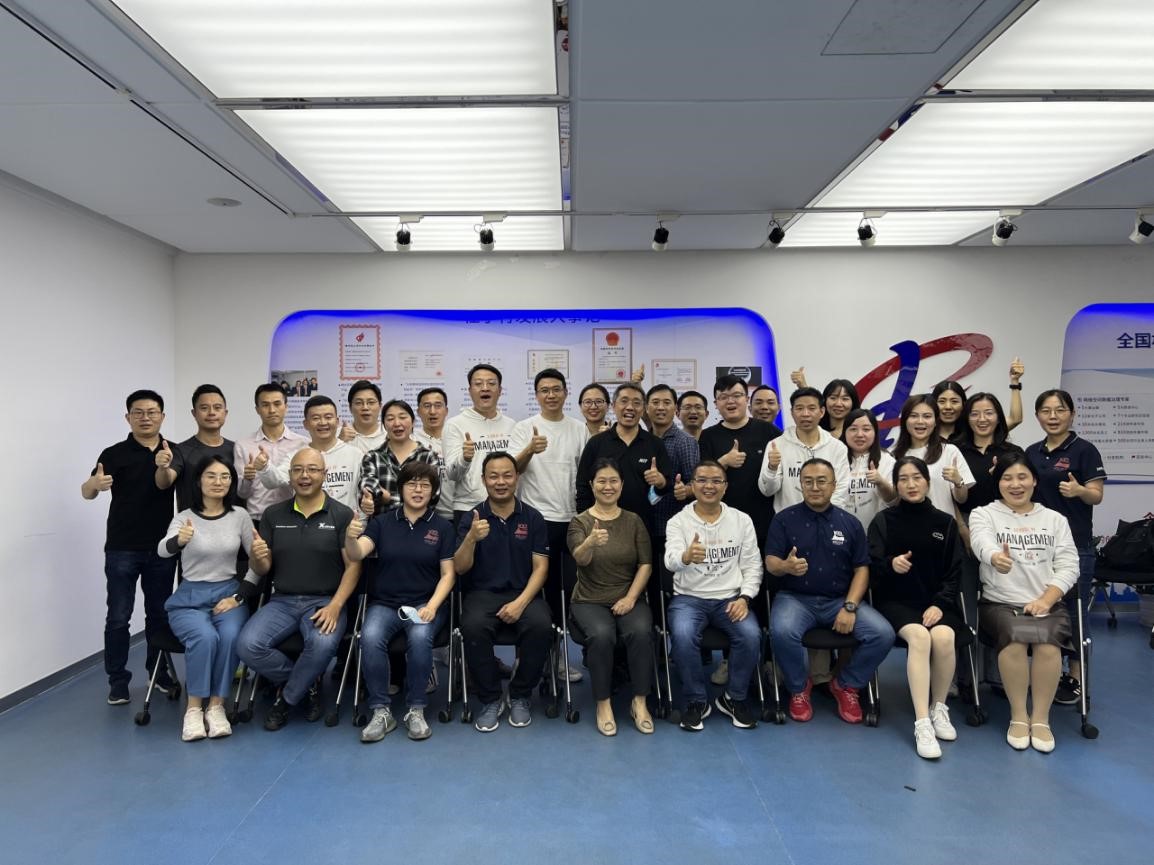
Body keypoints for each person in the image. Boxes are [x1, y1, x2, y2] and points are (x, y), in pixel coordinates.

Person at [236, 448, 361, 730]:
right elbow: (263, 568)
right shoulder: (272, 514)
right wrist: (256, 556)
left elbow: (353, 567)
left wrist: (336, 606)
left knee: (323, 644)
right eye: (298, 470)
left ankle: (285, 701)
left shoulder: (341, 514)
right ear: (290, 476)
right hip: (282, 601)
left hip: (325, 601)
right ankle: (306, 684)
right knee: (247, 645)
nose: (305, 476)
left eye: (313, 469)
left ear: (324, 474)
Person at [765, 459, 895, 724]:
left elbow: (862, 569)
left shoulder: (850, 523)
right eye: (808, 481)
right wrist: (786, 566)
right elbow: (770, 563)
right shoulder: (783, 520)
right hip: (795, 599)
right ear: (800, 485)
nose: (815, 487)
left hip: (839, 600)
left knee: (883, 634)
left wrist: (850, 606)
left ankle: (846, 685)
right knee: (781, 631)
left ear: (834, 485)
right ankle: (799, 688)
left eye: (821, 481)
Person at [969, 452, 1079, 753]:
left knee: (1048, 645)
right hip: (1000, 603)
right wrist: (995, 557)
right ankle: (1018, 715)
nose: (1015, 484)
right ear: (998, 483)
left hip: (1047, 603)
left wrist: (1046, 600)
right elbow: (980, 542)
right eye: (1007, 478)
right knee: (1016, 639)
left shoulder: (1054, 519)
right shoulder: (983, 514)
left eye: (1022, 477)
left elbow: (1069, 565)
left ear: (1034, 481)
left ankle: (1041, 719)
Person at [345, 462, 455, 743]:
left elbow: (448, 575)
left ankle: (416, 709)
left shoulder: (443, 527)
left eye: (425, 485)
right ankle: (381, 711)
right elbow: (357, 554)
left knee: (419, 637)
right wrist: (350, 537)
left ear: (433, 491)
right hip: (385, 604)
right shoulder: (382, 523)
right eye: (411, 484)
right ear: (401, 488)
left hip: (425, 603)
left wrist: (432, 606)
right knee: (369, 637)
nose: (418, 490)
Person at [82, 389, 177, 705]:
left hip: (162, 548)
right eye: (139, 412)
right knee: (119, 617)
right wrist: (94, 485)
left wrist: (164, 466)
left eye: (152, 412)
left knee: (159, 614)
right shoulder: (114, 453)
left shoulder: (172, 451)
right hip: (122, 548)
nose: (146, 417)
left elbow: (173, 484)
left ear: (162, 416)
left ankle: (157, 673)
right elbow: (87, 491)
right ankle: (118, 681)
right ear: (128, 417)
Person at [868, 457, 965, 759]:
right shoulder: (883, 521)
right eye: (903, 479)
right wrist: (890, 564)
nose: (911, 484)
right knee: (921, 638)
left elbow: (954, 573)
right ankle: (922, 722)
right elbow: (870, 566)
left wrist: (939, 604)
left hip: (936, 602)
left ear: (927, 482)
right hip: (896, 602)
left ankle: (939, 708)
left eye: (917, 478)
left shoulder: (945, 523)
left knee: (944, 637)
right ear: (896, 485)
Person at [158, 456, 261, 741]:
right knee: (204, 638)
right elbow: (162, 550)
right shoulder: (184, 517)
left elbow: (257, 562)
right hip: (190, 596)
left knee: (229, 637)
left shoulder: (240, 516)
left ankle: (216, 706)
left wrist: (240, 595)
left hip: (228, 594)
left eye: (225, 476)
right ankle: (193, 710)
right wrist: (179, 540)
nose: (218, 482)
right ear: (198, 481)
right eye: (211, 476)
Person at [454, 453, 552, 732]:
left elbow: (541, 568)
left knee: (541, 626)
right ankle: (490, 699)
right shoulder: (472, 518)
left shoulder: (532, 517)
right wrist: (471, 538)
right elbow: (460, 567)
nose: (501, 482)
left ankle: (520, 694)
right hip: (482, 594)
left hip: (524, 592)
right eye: (493, 476)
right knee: (472, 627)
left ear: (517, 478)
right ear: (483, 480)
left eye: (507, 475)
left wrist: (520, 603)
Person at [664, 461, 763, 731]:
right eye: (702, 480)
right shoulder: (678, 522)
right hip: (688, 598)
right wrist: (686, 556)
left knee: (751, 635)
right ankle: (696, 700)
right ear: (692, 485)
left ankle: (734, 698)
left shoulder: (741, 520)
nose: (709, 486)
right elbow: (670, 560)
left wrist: (745, 598)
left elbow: (752, 565)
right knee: (683, 635)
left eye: (716, 481)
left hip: (730, 598)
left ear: (725, 487)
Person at [698, 375, 782, 685]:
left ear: (746, 399)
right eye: (723, 396)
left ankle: (769, 659)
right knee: (729, 594)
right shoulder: (709, 436)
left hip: (765, 527)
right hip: (721, 530)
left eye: (736, 395)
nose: (730, 401)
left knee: (764, 593)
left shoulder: (768, 432)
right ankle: (730, 658)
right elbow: (701, 479)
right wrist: (723, 461)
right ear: (716, 403)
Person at [1025, 389, 1106, 706]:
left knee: (1075, 614)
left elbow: (1097, 495)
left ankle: (1075, 676)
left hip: (1075, 545)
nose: (1053, 416)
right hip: (1038, 547)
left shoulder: (1085, 450)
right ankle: (1051, 672)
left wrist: (1079, 491)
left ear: (1072, 414)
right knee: (1046, 611)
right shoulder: (1032, 452)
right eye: (1046, 411)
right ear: (1037, 416)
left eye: (1060, 410)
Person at [509, 369, 590, 683]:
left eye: (556, 389)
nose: (551, 395)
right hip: (535, 520)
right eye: (544, 390)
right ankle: (524, 660)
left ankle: (557, 659)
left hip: (571, 520)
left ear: (566, 393)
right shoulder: (523, 428)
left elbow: (587, 475)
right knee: (530, 592)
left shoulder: (579, 429)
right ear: (536, 395)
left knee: (562, 594)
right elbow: (511, 470)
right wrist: (530, 449)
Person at [568, 459, 655, 736]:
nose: (608, 486)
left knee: (641, 632)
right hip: (589, 600)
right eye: (602, 481)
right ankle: (603, 704)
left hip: (628, 596)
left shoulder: (633, 521)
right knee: (602, 635)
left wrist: (631, 598)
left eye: (613, 481)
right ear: (592, 485)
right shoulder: (580, 522)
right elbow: (580, 559)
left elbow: (646, 564)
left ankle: (639, 702)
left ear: (622, 485)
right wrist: (590, 543)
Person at [576, 383, 673, 537]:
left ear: (644, 409)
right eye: (624, 401)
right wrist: (586, 524)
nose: (630, 407)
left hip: (642, 527)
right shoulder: (597, 443)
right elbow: (583, 486)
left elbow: (667, 486)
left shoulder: (655, 444)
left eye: (636, 403)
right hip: (601, 527)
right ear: (613, 406)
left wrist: (660, 482)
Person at [259, 395, 363, 512]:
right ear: (306, 424)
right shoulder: (296, 456)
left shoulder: (356, 455)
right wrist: (264, 466)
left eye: (328, 417)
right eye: (316, 418)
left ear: (337, 421)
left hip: (347, 521)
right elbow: (274, 481)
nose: (323, 422)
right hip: (308, 521)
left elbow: (363, 494)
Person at [758, 387, 850, 512]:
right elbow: (767, 491)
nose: (805, 414)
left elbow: (842, 489)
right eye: (799, 408)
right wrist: (772, 468)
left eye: (811, 408)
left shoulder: (837, 447)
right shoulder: (776, 445)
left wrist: (824, 516)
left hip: (827, 519)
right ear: (792, 412)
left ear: (822, 412)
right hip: (789, 520)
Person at [443, 364, 516, 521]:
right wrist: (465, 458)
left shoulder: (512, 425)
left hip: (506, 507)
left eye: (491, 383)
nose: (485, 388)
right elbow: (452, 474)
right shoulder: (455, 424)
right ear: (470, 391)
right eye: (478, 384)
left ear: (500, 390)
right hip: (468, 507)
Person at [234, 382, 308, 527]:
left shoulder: (302, 444)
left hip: (293, 518)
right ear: (257, 409)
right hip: (257, 519)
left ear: (286, 407)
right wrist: (247, 478)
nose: (272, 410)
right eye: (265, 405)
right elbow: (242, 494)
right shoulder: (243, 445)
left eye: (277, 404)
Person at [890, 394, 974, 516]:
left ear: (935, 421)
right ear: (905, 421)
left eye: (927, 416)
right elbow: (891, 500)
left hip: (942, 524)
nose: (920, 421)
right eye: (913, 416)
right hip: (906, 523)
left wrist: (958, 482)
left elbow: (961, 499)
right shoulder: (893, 455)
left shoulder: (949, 451)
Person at [155, 384, 235, 513]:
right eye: (204, 408)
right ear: (194, 413)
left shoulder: (237, 449)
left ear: (225, 413)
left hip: (231, 523)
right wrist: (162, 467)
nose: (211, 413)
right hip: (192, 523)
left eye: (217, 407)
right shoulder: (181, 450)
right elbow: (164, 483)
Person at [359, 399, 438, 514]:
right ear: (384, 425)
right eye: (390, 419)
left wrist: (387, 498)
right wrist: (375, 495)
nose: (396, 423)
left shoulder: (428, 456)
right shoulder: (373, 456)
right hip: (382, 523)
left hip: (419, 522)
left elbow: (434, 495)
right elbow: (368, 485)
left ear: (413, 422)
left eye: (402, 417)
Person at [841, 408, 896, 530]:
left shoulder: (887, 460)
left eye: (866, 429)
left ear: (875, 432)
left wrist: (881, 482)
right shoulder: (836, 460)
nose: (860, 434)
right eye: (853, 429)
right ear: (844, 432)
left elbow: (894, 500)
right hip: (841, 531)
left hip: (877, 532)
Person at [414, 386, 454, 519]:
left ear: (446, 411)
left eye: (438, 406)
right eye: (427, 406)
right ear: (418, 412)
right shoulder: (411, 440)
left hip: (459, 510)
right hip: (424, 513)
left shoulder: (457, 437)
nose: (432, 411)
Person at [339, 380, 387, 454]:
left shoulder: (389, 434)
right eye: (359, 403)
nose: (365, 407)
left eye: (371, 402)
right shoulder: (339, 435)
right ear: (350, 408)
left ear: (380, 406)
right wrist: (339, 442)